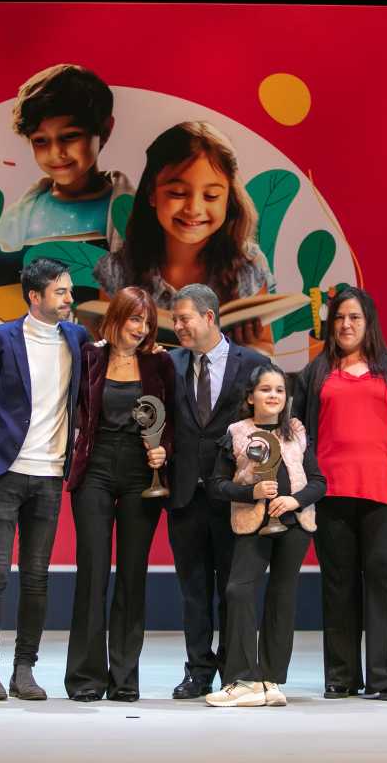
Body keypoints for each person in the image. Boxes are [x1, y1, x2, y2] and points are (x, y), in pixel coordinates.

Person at [293, 286, 387, 702]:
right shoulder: (316, 372)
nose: (346, 325)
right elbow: (297, 433)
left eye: (354, 317)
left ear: (368, 323)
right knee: (338, 583)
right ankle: (341, 675)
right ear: (330, 325)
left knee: (385, 582)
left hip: (384, 493)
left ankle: (386, 678)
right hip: (330, 494)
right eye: (339, 318)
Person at [0, 257, 88, 700]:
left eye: (69, 291)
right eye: (61, 292)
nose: (70, 299)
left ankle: (25, 669)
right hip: (4, 470)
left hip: (52, 474)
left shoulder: (78, 338)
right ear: (34, 297)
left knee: (37, 576)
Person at [64, 287, 174, 702]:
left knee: (132, 574)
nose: (140, 329)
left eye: (146, 323)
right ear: (117, 318)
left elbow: (173, 419)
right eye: (134, 320)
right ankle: (86, 679)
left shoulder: (160, 362)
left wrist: (167, 449)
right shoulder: (89, 356)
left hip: (141, 474)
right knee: (92, 572)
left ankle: (125, 678)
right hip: (94, 466)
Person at [165, 283, 268, 699]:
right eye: (174, 319)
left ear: (209, 317)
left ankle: (234, 667)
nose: (177, 327)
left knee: (233, 585)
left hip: (235, 497)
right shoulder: (168, 364)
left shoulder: (254, 365)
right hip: (186, 494)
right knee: (193, 589)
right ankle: (197, 670)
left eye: (183, 318)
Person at [93, 121, 275, 351]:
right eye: (178, 193)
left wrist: (249, 349)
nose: (194, 208)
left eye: (210, 196)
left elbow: (265, 348)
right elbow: (103, 352)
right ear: (152, 194)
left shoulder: (248, 265)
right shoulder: (117, 271)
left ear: (228, 200)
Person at [205, 363, 325, 707]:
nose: (273, 395)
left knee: (282, 598)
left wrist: (294, 500)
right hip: (252, 524)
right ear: (250, 396)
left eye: (279, 390)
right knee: (237, 589)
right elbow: (217, 484)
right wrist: (252, 493)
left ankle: (271, 680)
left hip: (295, 524)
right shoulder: (237, 433)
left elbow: (319, 482)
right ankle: (243, 678)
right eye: (265, 389)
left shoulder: (297, 432)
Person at [0, 63, 133, 250]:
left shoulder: (132, 212)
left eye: (69, 136)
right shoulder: (19, 217)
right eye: (40, 140)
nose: (56, 153)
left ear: (105, 130)